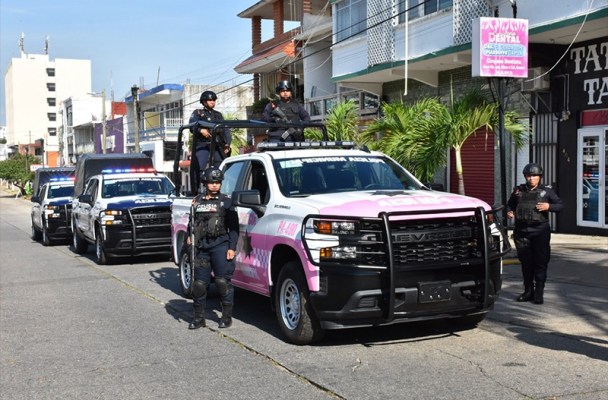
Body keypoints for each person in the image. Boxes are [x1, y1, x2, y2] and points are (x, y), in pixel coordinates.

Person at [187, 167, 239, 329]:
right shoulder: (197, 201)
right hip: (202, 247)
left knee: (222, 282)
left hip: (221, 246)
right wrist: (189, 236)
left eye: (217, 182)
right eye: (211, 182)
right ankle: (198, 318)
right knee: (199, 284)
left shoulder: (227, 202)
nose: (215, 185)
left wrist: (232, 247)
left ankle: (226, 317)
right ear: (205, 183)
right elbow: (192, 222)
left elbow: (234, 228)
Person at [507, 163, 564, 305]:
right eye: (529, 176)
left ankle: (539, 293)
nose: (531, 178)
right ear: (525, 176)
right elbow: (510, 205)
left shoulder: (547, 191)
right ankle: (528, 291)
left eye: (534, 176)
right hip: (522, 231)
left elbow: (560, 205)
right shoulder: (518, 191)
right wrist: (509, 211)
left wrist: (549, 206)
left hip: (540, 231)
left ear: (539, 177)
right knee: (526, 263)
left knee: (540, 261)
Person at [189, 90, 231, 193]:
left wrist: (227, 144)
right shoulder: (198, 113)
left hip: (217, 145)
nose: (212, 102)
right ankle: (196, 191)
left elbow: (225, 130)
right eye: (210, 100)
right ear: (204, 101)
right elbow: (191, 126)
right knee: (199, 167)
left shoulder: (218, 115)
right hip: (203, 144)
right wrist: (200, 130)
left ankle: (219, 191)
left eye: (214, 100)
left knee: (220, 167)